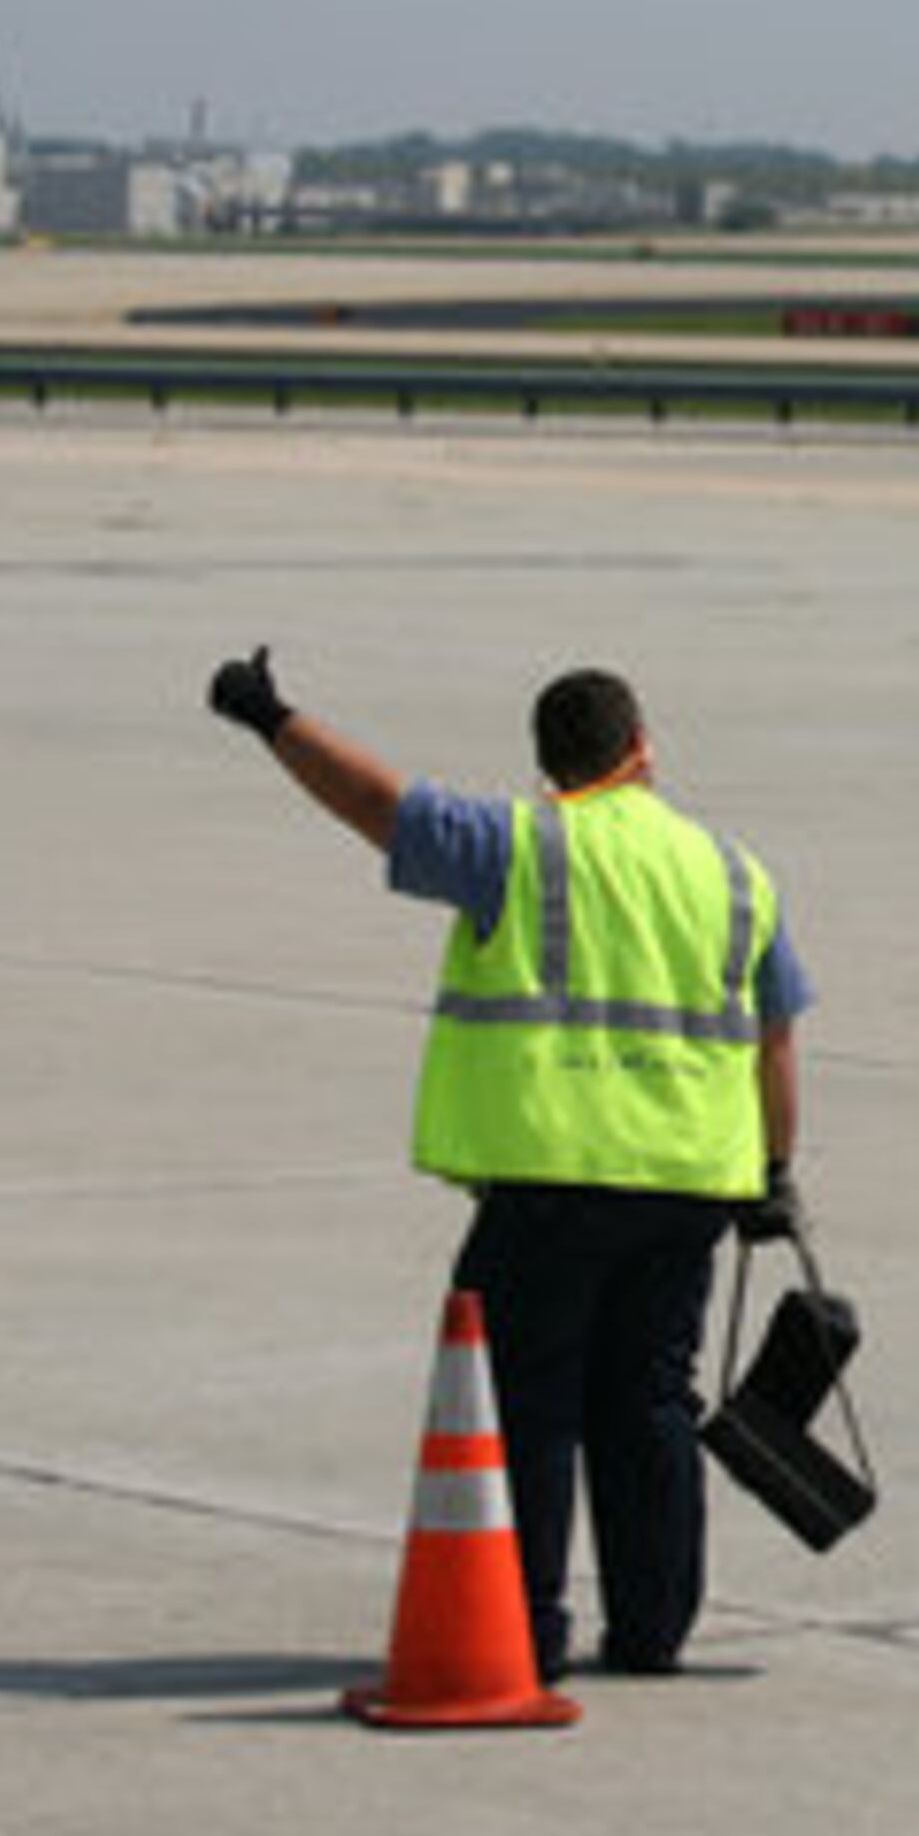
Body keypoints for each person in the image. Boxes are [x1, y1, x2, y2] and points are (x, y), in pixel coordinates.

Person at [207, 648, 811, 1681]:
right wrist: (774, 1171)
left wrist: (270, 716)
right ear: (643, 751)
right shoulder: (733, 872)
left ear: (548, 766)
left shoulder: (518, 846)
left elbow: (377, 804)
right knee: (652, 1402)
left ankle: (522, 1628)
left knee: (526, 1403)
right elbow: (776, 1038)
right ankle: (654, 1627)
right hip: (688, 1190)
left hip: (550, 1179)